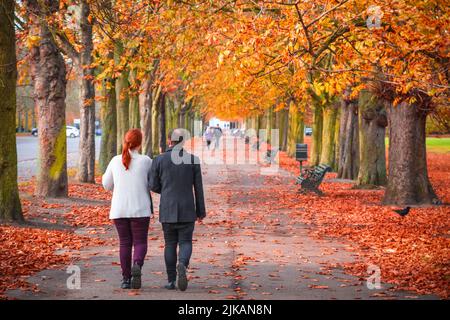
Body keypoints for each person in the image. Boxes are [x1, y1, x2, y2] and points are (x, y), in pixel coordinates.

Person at [149, 128, 206, 291]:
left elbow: (153, 185)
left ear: (169, 140)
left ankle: (171, 280)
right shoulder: (193, 160)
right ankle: (182, 264)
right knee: (186, 241)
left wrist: (165, 190)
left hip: (167, 209)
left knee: (170, 243)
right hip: (188, 209)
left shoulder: (159, 160)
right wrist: (201, 211)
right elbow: (198, 189)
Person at [102, 129, 153, 290]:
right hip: (141, 208)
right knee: (140, 241)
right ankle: (137, 264)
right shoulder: (146, 161)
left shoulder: (115, 160)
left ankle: (126, 279)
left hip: (119, 209)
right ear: (140, 143)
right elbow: (153, 182)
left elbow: (106, 185)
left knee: (124, 243)